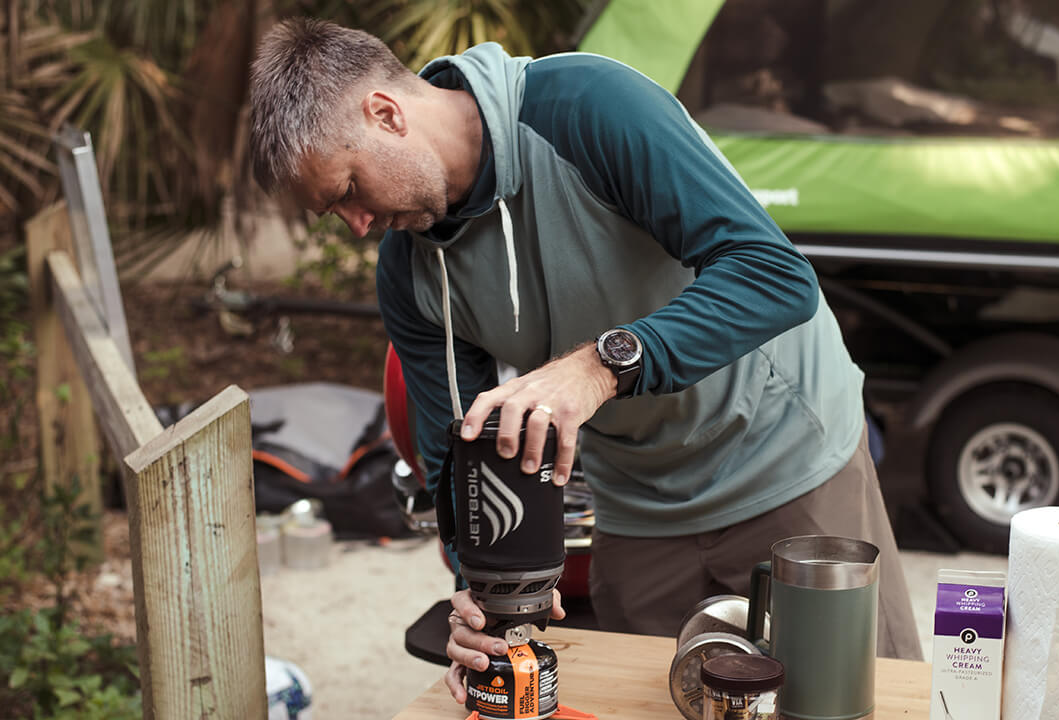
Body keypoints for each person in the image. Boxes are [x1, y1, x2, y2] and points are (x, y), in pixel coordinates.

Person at [248, 18, 922, 702]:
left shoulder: (588, 109)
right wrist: (479, 605)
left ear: (385, 114)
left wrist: (599, 365)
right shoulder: (409, 273)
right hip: (638, 504)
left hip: (787, 461)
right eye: (336, 214)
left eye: (348, 190)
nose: (357, 225)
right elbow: (459, 463)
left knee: (850, 701)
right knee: (649, 706)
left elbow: (775, 276)